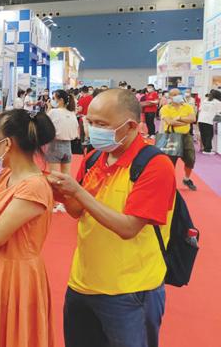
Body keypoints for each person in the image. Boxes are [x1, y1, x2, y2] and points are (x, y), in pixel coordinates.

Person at [47, 89, 176, 347]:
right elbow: (77, 211)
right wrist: (56, 191)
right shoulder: (95, 157)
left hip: (129, 291)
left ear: (130, 126)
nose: (93, 129)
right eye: (90, 122)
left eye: (101, 124)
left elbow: (128, 227)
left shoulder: (154, 165)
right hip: (82, 283)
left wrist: (78, 192)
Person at [0, 109, 56, 347]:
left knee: (12, 336)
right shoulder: (6, 175)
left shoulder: (34, 186)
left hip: (15, 278)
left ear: (8, 143)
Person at [160, 88, 198, 191]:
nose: (177, 96)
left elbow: (193, 119)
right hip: (171, 137)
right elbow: (170, 122)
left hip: (186, 136)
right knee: (170, 162)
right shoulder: (165, 108)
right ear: (170, 97)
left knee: (190, 159)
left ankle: (186, 179)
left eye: (179, 94)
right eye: (174, 94)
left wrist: (179, 118)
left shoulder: (188, 107)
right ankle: (169, 182)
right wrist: (185, 121)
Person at [45, 90, 79, 175]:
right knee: (66, 175)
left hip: (55, 145)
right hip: (68, 146)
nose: (52, 100)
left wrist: (49, 108)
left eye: (54, 98)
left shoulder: (53, 112)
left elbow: (45, 123)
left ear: (61, 100)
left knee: (55, 175)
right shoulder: (72, 113)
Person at [198, 89, 221, 154]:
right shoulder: (217, 102)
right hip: (208, 120)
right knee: (209, 135)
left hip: (201, 119)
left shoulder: (205, 100)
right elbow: (219, 111)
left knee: (203, 134)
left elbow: (200, 109)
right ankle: (207, 150)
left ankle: (205, 149)